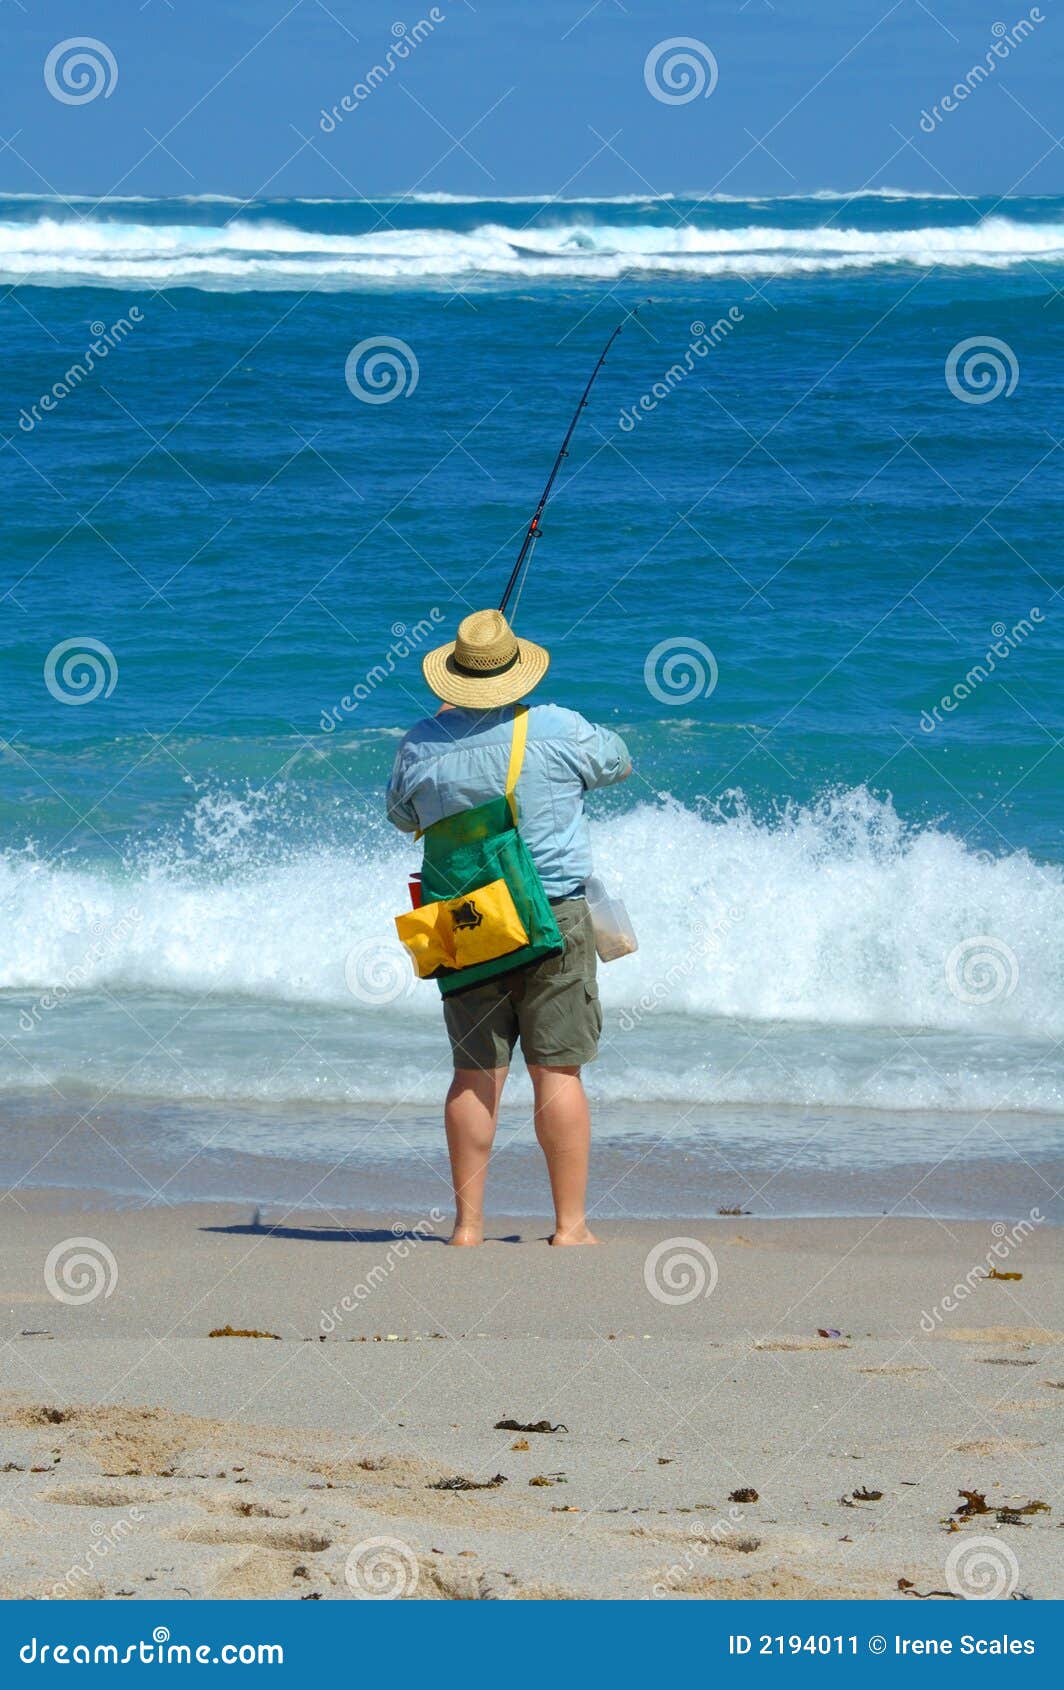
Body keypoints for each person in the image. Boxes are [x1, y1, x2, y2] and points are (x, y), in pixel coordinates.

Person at [386, 608, 631, 1247]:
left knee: (474, 1074)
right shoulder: (557, 728)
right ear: (516, 669)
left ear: (457, 675)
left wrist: (445, 735)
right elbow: (620, 762)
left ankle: (467, 1228)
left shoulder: (420, 742)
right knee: (558, 1071)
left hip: (470, 923)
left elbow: (399, 814)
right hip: (554, 915)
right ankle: (569, 1227)